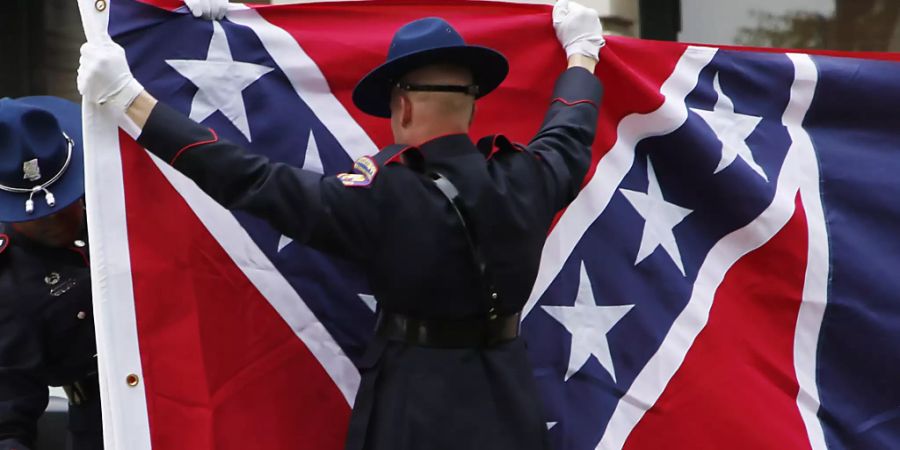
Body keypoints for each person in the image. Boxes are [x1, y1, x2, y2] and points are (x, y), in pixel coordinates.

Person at [77, 0, 605, 448]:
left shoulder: (383, 198)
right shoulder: (530, 177)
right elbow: (572, 124)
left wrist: (132, 101)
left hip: (412, 411)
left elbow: (250, 179)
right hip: (511, 401)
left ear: (400, 104)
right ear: (471, 103)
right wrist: (583, 49)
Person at [0, 96, 101, 450]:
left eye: (63, 199)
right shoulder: (8, 278)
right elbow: (8, 416)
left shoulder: (118, 215)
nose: (56, 217)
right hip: (101, 422)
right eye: (38, 214)